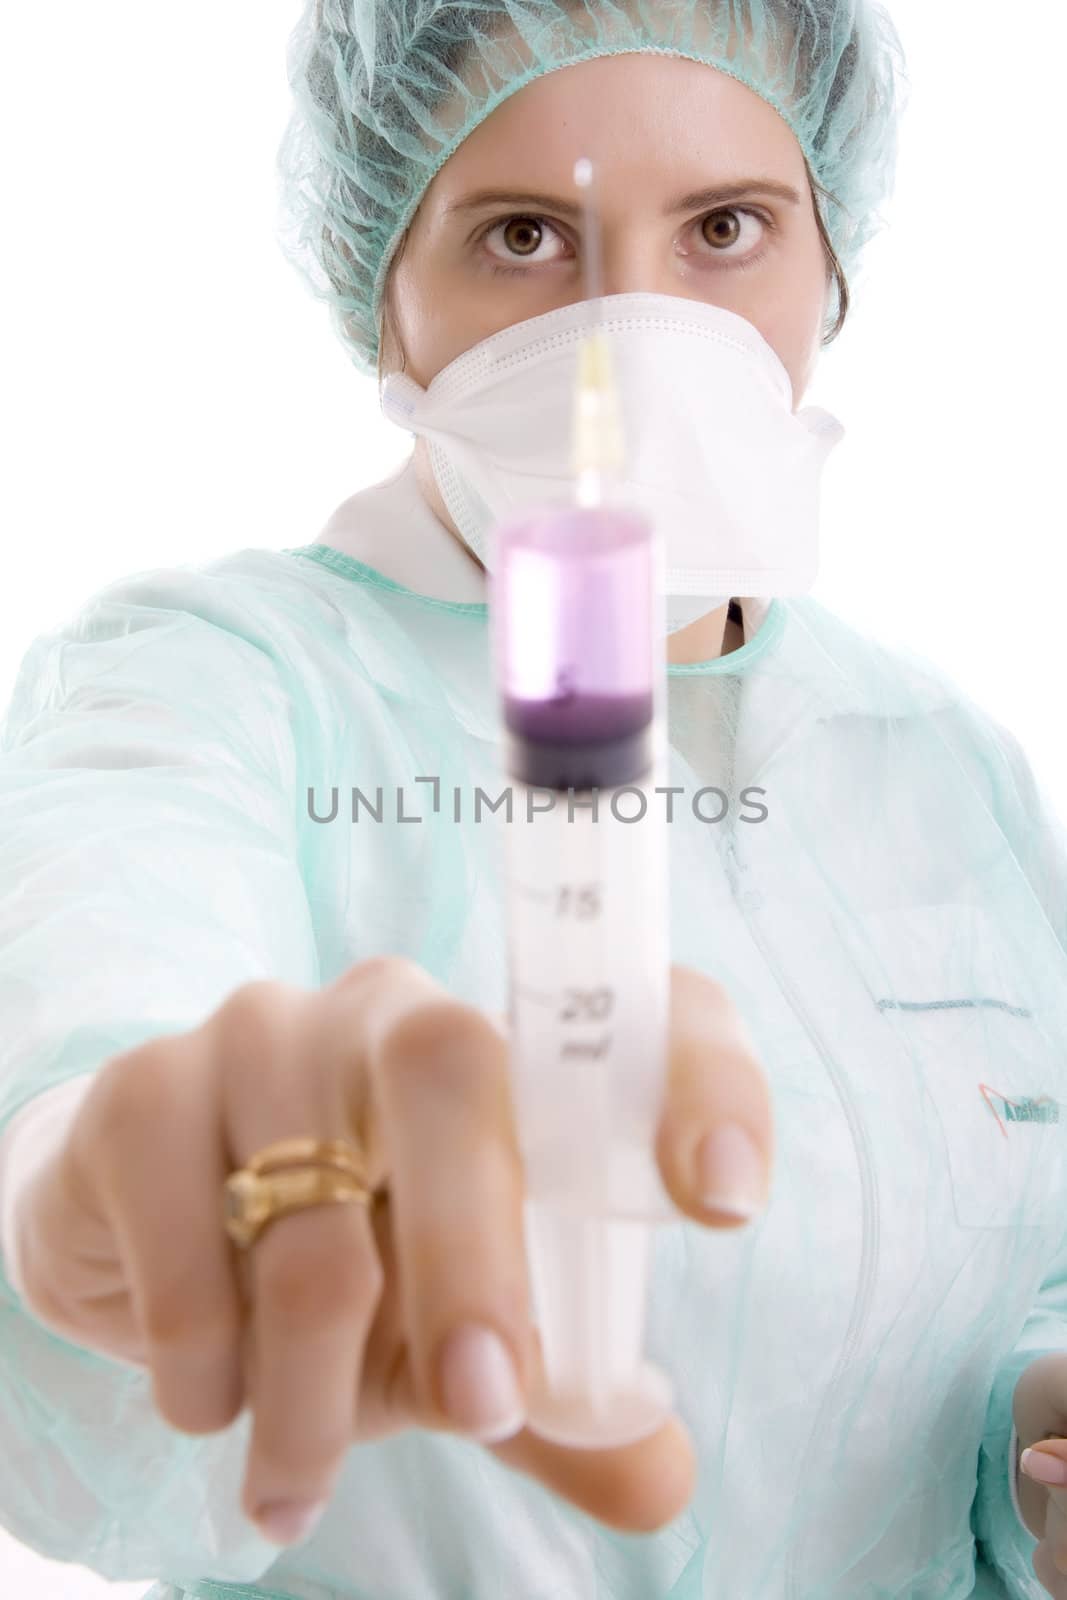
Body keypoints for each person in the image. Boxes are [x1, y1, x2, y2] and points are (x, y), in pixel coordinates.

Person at [1, 2, 1066, 1597]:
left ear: (827, 265)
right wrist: (108, 1196)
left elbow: (1017, 1295)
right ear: (386, 303)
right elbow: (96, 1073)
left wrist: (1035, 1451)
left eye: (724, 227)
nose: (632, 332)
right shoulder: (217, 682)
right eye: (521, 235)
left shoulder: (941, 762)